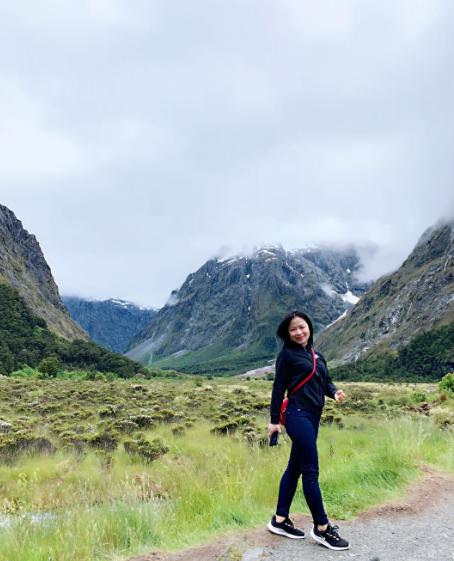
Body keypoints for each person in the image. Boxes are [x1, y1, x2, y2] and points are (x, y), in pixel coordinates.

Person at [267, 310, 350, 551]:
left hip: (313, 417)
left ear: (309, 328)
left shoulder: (317, 355)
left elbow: (325, 381)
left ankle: (280, 520)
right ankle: (322, 528)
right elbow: (278, 388)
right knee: (310, 472)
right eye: (293, 329)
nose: (298, 332)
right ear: (287, 333)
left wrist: (334, 392)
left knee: (294, 469)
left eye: (301, 327)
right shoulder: (286, 355)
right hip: (297, 415)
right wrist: (274, 421)